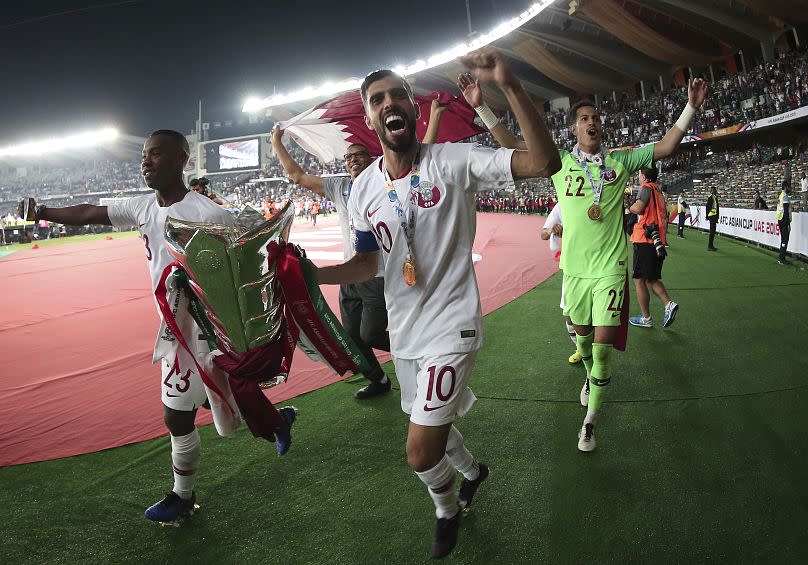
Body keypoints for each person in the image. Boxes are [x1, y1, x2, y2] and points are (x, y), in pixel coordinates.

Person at [316, 48, 561, 558]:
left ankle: (448, 510)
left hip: (453, 324)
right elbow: (367, 264)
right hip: (406, 332)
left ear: (413, 106)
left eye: (398, 94)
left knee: (420, 450)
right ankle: (474, 472)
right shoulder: (363, 188)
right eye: (377, 98)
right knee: (430, 425)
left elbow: (543, 163)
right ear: (369, 116)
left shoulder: (452, 161)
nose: (390, 103)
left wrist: (510, 87)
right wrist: (311, 274)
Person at [19, 130, 297, 524]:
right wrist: (45, 212)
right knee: (214, 396)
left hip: (199, 331)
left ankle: (182, 496)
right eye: (144, 155)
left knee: (176, 416)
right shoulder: (143, 207)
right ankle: (276, 421)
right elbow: (91, 213)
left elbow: (241, 272)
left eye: (156, 154)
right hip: (173, 325)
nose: (145, 162)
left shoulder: (210, 215)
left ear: (181, 159)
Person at [463, 72, 708, 452]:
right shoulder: (558, 162)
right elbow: (512, 143)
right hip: (574, 272)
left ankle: (590, 421)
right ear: (573, 129)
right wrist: (480, 104)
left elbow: (665, 147)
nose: (591, 122)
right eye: (584, 118)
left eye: (595, 118)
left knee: (604, 348)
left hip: (611, 268)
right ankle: (591, 375)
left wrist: (691, 105)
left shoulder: (622, 161)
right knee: (585, 336)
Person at [270, 125, 393, 399]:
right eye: (348, 157)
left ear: (372, 159)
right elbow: (297, 175)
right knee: (352, 337)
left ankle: (418, 350)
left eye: (359, 155)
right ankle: (379, 379)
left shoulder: (386, 184)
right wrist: (277, 140)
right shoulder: (339, 188)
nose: (352, 160)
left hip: (377, 273)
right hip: (349, 274)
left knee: (371, 334)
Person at [628, 167, 679, 329]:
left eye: (639, 174)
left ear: (643, 176)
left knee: (639, 279)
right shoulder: (659, 190)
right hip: (658, 240)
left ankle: (646, 318)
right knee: (651, 279)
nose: (638, 177)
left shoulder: (645, 188)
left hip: (645, 239)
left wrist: (629, 206)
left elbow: (638, 208)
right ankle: (668, 305)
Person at [540, 204, 583, 366]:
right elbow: (543, 234)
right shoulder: (563, 204)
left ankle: (594, 352)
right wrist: (553, 230)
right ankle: (580, 348)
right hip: (571, 267)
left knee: (593, 315)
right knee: (569, 315)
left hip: (597, 264)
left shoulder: (595, 197)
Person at [777, 180, 792, 265]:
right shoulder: (785, 196)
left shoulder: (781, 195)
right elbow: (786, 211)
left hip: (780, 219)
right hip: (784, 221)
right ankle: (782, 259)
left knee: (783, 240)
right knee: (785, 240)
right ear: (786, 187)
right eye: (789, 187)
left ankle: (781, 257)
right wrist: (788, 223)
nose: (789, 188)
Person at [706, 186, 719, 251]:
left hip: (714, 216)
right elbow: (708, 207)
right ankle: (709, 246)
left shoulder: (715, 198)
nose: (715, 191)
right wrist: (707, 216)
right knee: (712, 231)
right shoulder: (710, 198)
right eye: (714, 190)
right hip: (712, 216)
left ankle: (711, 245)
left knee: (713, 231)